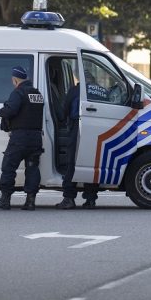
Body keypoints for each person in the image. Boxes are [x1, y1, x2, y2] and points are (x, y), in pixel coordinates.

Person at [0, 66, 44, 211]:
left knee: (8, 166)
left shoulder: (18, 92)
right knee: (32, 168)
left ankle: (5, 200)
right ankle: (30, 201)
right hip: (36, 138)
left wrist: (1, 112)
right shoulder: (37, 93)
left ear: (15, 79)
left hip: (20, 138)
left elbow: (11, 110)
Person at [56, 71, 101, 209]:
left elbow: (64, 112)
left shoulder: (75, 91)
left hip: (78, 127)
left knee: (72, 162)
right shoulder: (100, 91)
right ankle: (91, 200)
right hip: (97, 127)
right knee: (91, 163)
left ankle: (69, 198)